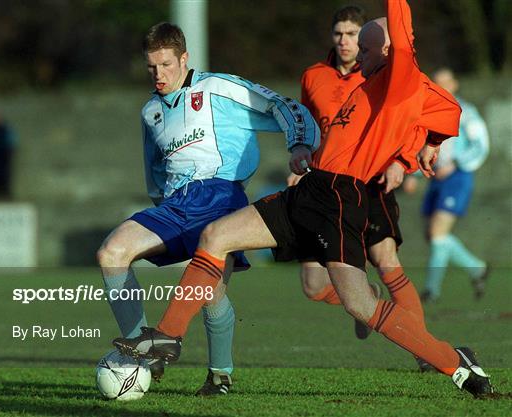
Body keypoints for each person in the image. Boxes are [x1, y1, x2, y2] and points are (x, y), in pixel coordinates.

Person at [114, 1, 494, 398]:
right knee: (215, 237)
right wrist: (431, 139)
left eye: (365, 48)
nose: (356, 55)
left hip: (341, 199)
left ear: (389, 51)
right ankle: (168, 337)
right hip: (313, 187)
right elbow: (447, 107)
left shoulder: (399, 77)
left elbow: (404, 36)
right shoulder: (373, 82)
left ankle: (456, 364)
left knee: (361, 305)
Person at [97, 23, 319, 396]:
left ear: (184, 58)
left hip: (219, 196)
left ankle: (219, 375)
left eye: (166, 65)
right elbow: (153, 169)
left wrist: (299, 145)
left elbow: (282, 105)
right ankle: (142, 353)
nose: (159, 75)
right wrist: (161, 205)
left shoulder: (218, 87)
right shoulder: (150, 110)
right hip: (174, 205)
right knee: (111, 253)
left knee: (211, 295)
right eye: (151, 67)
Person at [293, 5, 424, 343]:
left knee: (385, 257)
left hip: (370, 179)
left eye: (352, 34)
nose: (344, 41)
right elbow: (306, 126)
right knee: (313, 284)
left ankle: (422, 345)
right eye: (339, 34)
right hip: (325, 184)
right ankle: (367, 299)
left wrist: (402, 161)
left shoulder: (384, 73)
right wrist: (300, 152)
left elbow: (413, 118)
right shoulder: (313, 76)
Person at [403, 68, 490, 303]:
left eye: (445, 82)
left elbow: (481, 144)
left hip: (457, 178)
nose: (440, 87)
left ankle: (431, 290)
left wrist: (457, 164)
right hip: (436, 178)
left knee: (437, 232)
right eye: (436, 83)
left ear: (455, 84)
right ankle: (476, 267)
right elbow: (425, 147)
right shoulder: (429, 112)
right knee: (432, 235)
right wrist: (414, 175)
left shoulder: (466, 112)